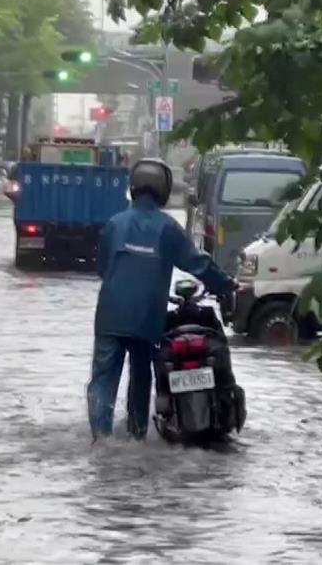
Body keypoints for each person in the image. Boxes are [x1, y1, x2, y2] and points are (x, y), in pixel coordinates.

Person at [88, 158, 235, 442]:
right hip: (146, 318)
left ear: (133, 188)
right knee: (141, 377)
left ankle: (101, 440)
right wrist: (225, 284)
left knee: (103, 380)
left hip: (110, 316)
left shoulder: (115, 224)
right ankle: (136, 435)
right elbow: (198, 264)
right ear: (164, 191)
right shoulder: (168, 228)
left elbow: (102, 268)